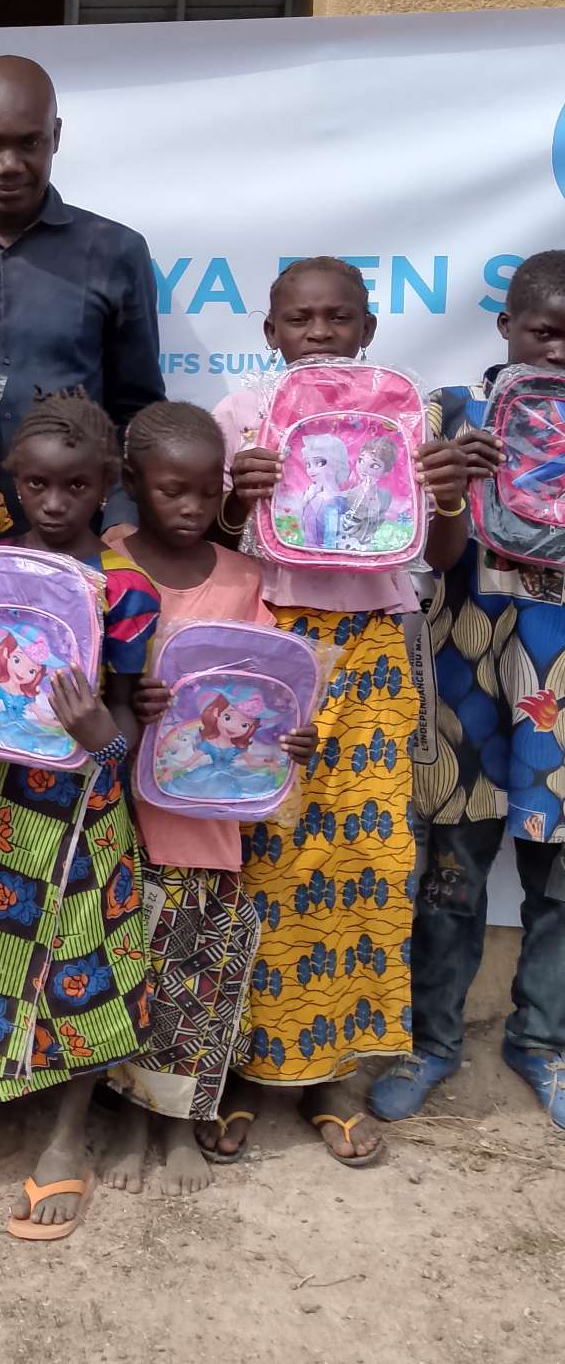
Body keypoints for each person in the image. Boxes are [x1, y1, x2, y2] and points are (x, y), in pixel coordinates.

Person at [212, 258, 471, 1165]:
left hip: (374, 643)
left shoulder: (409, 418)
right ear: (270, 329)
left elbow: (436, 549)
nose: (318, 332)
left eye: (337, 318)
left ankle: (328, 1075)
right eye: (299, 318)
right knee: (262, 852)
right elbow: (200, 536)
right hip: (274, 635)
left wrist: (447, 494)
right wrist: (233, 496)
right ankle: (240, 1070)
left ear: (367, 328)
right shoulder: (243, 412)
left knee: (365, 855)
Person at [0, 391, 157, 1243]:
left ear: (107, 487)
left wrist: (102, 738)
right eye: (37, 487)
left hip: (82, 813)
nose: (54, 505)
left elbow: (128, 723)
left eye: (77, 488)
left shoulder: (125, 590)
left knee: (77, 961)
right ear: (9, 482)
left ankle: (65, 1134)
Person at [371, 251, 565, 1132]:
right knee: (451, 870)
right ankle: (431, 1038)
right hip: (467, 677)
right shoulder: (446, 415)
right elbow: (432, 558)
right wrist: (452, 477)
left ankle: (543, 1041)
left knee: (559, 877)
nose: (558, 353)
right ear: (507, 328)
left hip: (559, 686)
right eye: (544, 332)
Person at [103, 402, 314, 1195]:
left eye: (204, 492)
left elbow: (273, 688)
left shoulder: (242, 579)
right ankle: (124, 1121)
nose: (190, 508)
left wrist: (292, 737)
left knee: (193, 975)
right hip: (121, 815)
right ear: (131, 486)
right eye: (170, 491)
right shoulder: (109, 559)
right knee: (129, 973)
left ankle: (177, 1124)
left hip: (207, 824)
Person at [0, 55, 164, 525]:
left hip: (81, 538)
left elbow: (137, 408)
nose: (9, 165)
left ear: (55, 137)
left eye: (30, 143)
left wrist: (121, 520)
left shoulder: (116, 252)